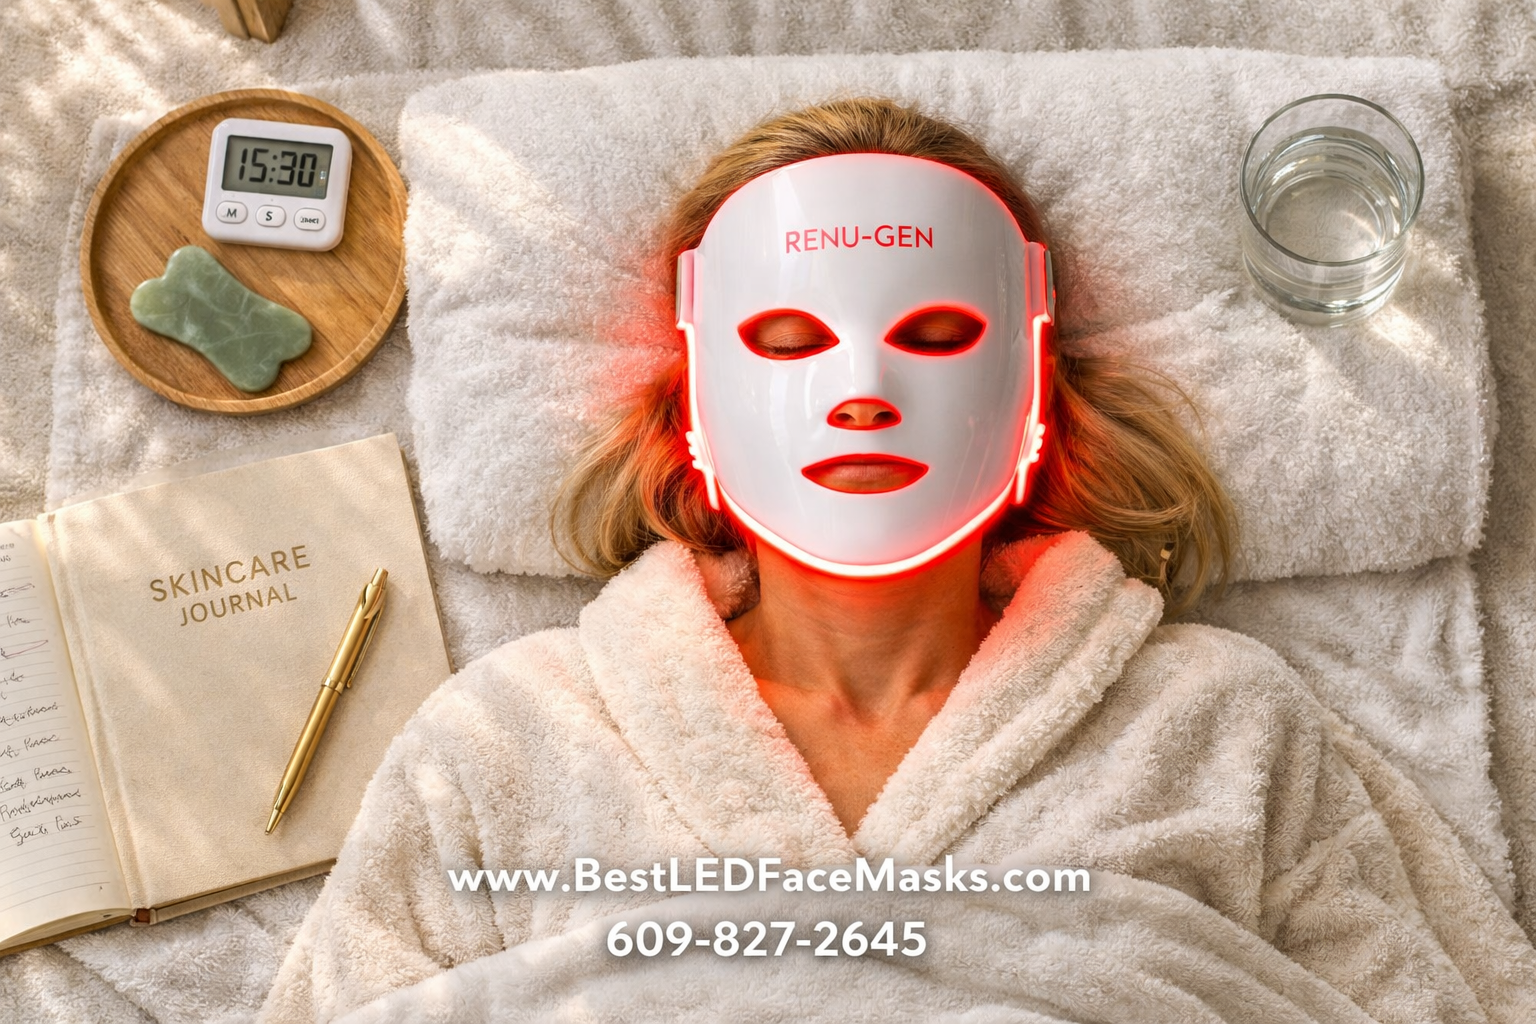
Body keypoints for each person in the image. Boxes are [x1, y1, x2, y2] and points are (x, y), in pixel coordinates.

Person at [259, 99, 1534, 1024]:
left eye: (934, 333)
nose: (863, 390)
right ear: (693, 402)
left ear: (1036, 391)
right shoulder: (506, 739)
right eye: (787, 336)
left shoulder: (1219, 721)